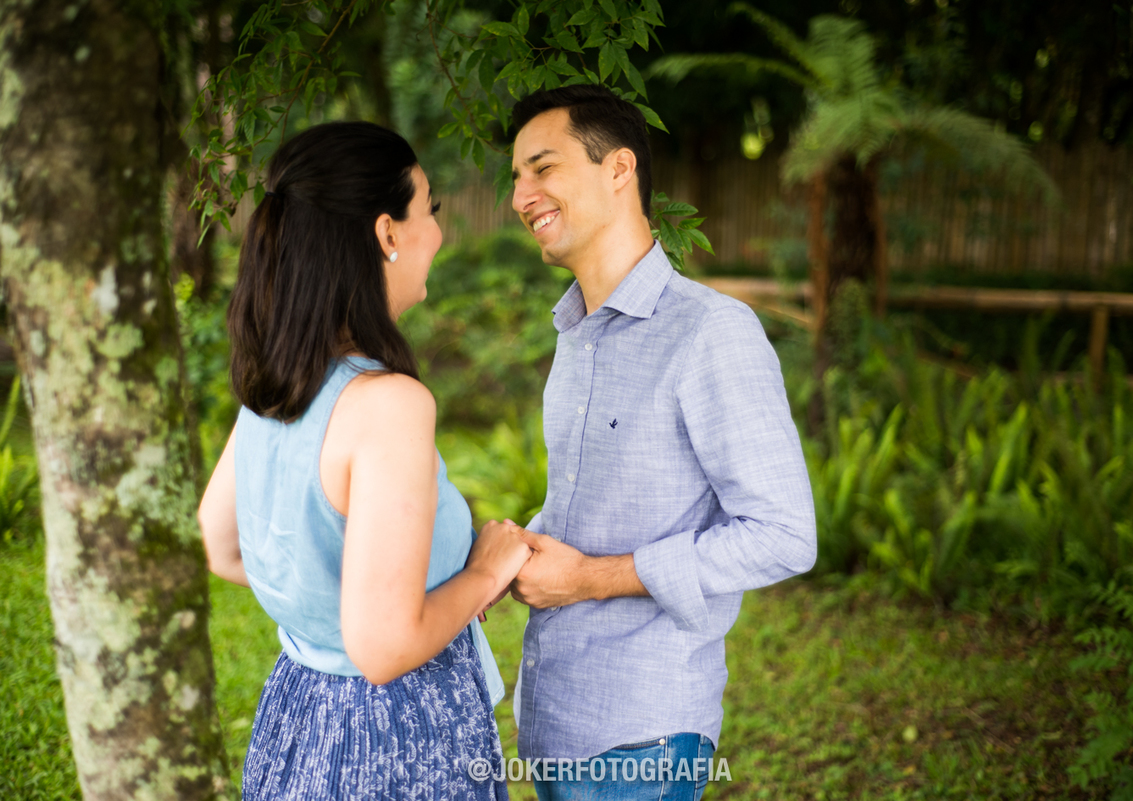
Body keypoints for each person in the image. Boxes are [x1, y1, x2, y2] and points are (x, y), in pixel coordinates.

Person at [197, 121, 529, 801]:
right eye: (429, 209)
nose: (437, 232)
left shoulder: (280, 381)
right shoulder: (388, 403)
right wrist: (484, 574)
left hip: (299, 710)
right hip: (397, 736)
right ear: (387, 234)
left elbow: (221, 543)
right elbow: (382, 648)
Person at [505, 85, 818, 801]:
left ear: (619, 169)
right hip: (555, 717)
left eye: (542, 168)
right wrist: (516, 550)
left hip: (641, 735)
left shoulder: (711, 331)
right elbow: (594, 506)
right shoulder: (576, 331)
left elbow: (783, 534)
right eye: (516, 177)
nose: (522, 196)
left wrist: (589, 578)